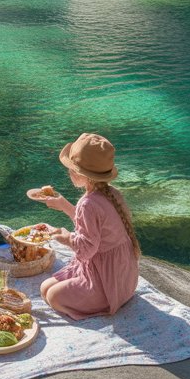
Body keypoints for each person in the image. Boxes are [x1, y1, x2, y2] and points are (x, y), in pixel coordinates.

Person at [38, 132, 140, 320]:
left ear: (79, 174)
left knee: (52, 296)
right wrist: (65, 206)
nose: (68, 172)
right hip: (123, 278)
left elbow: (86, 249)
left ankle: (103, 303)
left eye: (70, 168)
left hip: (107, 282)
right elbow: (94, 229)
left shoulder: (88, 204)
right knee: (45, 288)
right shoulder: (112, 194)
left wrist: (65, 237)